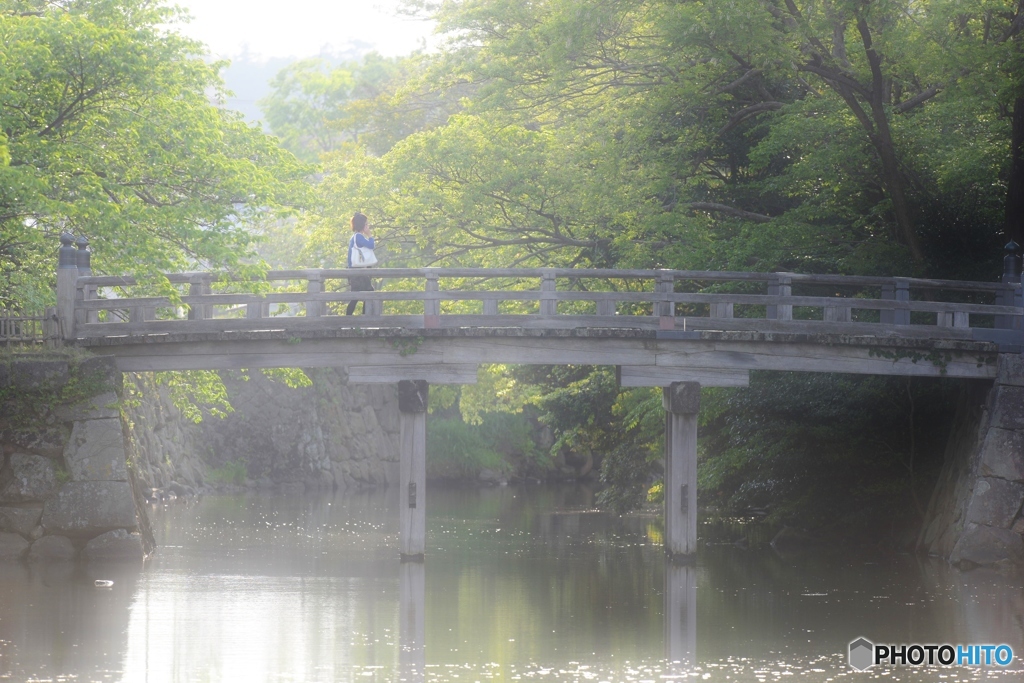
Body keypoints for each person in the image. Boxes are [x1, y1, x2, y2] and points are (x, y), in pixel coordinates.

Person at [346, 212, 375, 315]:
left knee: (356, 295)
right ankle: (363, 318)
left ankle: (350, 319)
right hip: (357, 271)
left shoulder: (354, 237)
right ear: (362, 225)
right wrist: (369, 235)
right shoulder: (359, 237)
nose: (368, 226)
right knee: (366, 293)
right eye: (366, 224)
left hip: (354, 270)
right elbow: (371, 245)